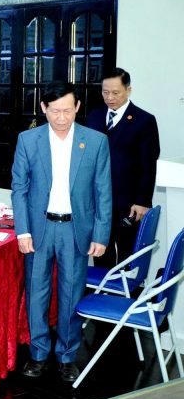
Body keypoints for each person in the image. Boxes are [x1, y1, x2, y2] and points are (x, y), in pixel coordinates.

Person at [12, 80, 112, 383]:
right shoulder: (28, 140)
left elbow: (103, 191)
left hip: (75, 229)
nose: (61, 117)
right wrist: (22, 232)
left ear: (77, 107)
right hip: (39, 229)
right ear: (43, 108)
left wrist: (101, 234)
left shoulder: (95, 141)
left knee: (71, 293)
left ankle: (67, 355)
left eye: (68, 110)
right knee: (37, 293)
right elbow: (19, 189)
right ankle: (38, 353)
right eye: (55, 111)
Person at [85, 68, 160, 268]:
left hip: (129, 204)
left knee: (128, 256)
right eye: (105, 92)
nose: (109, 97)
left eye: (115, 92)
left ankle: (127, 288)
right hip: (99, 201)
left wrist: (142, 201)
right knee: (101, 251)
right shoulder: (94, 116)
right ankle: (103, 287)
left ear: (128, 90)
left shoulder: (144, 120)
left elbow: (148, 164)